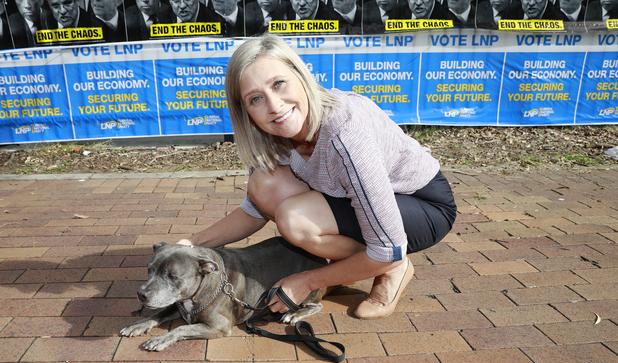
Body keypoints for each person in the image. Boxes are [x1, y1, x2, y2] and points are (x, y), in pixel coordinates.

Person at [177, 35, 457, 320]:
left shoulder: (344, 130)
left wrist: (308, 280)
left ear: (301, 75)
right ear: (246, 111)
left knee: (296, 220)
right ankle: (364, 261)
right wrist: (192, 243)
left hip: (422, 203)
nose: (274, 106)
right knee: (264, 184)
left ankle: (394, 268)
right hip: (355, 202)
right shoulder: (273, 135)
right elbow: (253, 211)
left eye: (279, 84)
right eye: (256, 99)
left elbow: (388, 247)